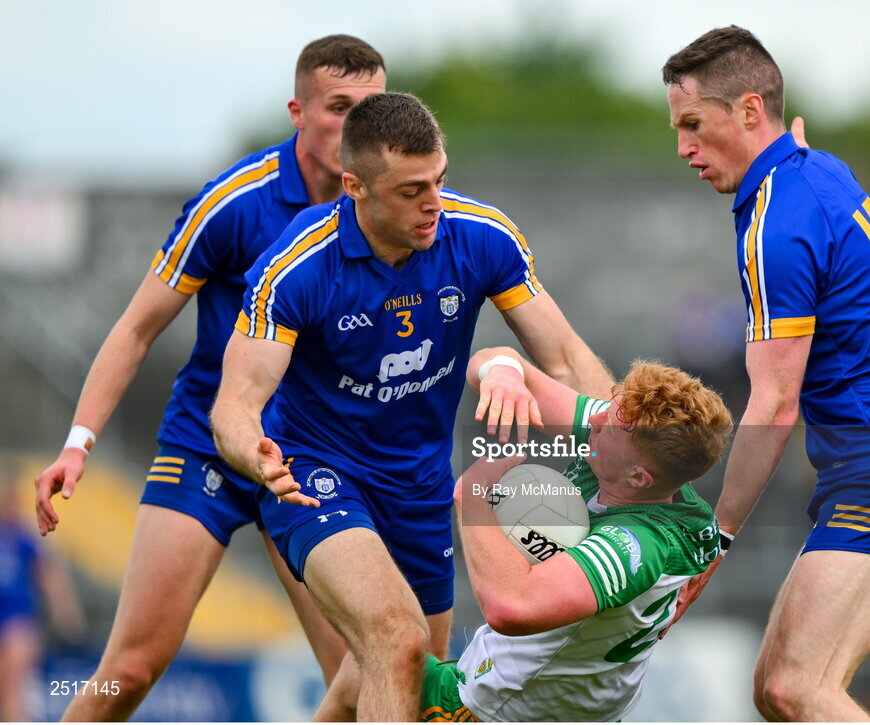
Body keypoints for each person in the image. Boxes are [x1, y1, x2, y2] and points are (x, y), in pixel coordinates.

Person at [210, 91, 613, 721]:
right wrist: (253, 453)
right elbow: (234, 404)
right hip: (315, 476)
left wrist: (631, 456)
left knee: (401, 676)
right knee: (397, 643)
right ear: (355, 187)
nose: (434, 204)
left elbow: (563, 358)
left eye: (440, 180)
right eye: (410, 191)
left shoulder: (481, 238)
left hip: (420, 485)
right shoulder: (296, 270)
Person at [33, 34, 387, 720]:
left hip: (312, 459)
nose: (355, 127)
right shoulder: (237, 201)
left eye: (370, 110)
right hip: (207, 445)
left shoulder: (390, 210)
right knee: (128, 670)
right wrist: (78, 442)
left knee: (361, 672)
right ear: (298, 110)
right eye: (339, 107)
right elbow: (136, 328)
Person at [662, 26, 870, 721]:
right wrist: (784, 144)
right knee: (774, 687)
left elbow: (774, 401)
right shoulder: (816, 167)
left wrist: (717, 538)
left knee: (797, 689)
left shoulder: (777, 221)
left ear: (748, 111)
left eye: (692, 125)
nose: (682, 148)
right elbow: (794, 156)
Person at [404, 346, 731, 721]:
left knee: (392, 656)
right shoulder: (637, 465)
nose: (596, 419)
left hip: (503, 709)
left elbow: (512, 607)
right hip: (573, 706)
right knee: (370, 667)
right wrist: (503, 373)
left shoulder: (639, 543)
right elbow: (496, 362)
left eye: (610, 427)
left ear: (638, 477)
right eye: (611, 406)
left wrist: (473, 496)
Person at [0, 466, 84, 721]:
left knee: (12, 685)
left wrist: (67, 617)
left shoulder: (23, 537)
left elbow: (51, 576)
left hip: (17, 621)